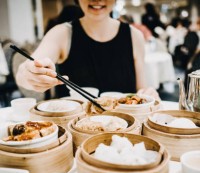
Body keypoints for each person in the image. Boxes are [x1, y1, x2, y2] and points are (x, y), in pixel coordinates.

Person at [16, 0, 160, 100]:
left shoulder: (134, 36)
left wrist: (148, 94)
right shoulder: (62, 33)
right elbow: (24, 72)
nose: (97, 0)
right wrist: (29, 74)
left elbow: (141, 90)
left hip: (124, 129)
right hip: (75, 131)